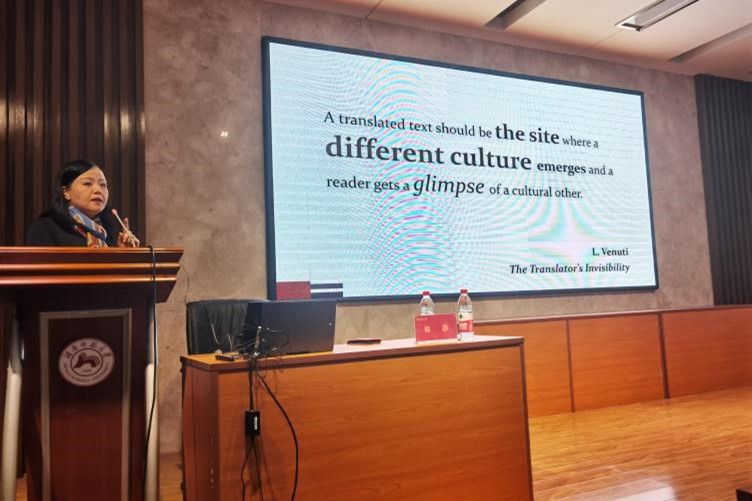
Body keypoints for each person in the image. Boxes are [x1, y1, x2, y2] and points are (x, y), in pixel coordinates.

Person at [26, 159, 141, 247]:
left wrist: (124, 252)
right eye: (87, 184)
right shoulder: (46, 227)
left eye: (103, 185)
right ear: (66, 192)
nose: (98, 190)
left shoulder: (110, 230)